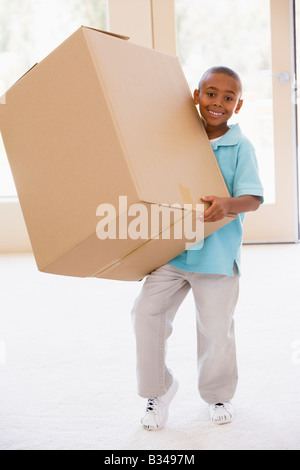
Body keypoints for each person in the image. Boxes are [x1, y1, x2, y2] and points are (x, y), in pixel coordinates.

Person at [131, 66, 264, 431]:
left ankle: (218, 394)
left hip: (217, 256)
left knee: (216, 330)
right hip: (174, 251)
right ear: (196, 95)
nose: (218, 102)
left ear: (237, 107)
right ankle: (158, 390)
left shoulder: (241, 146)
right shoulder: (177, 138)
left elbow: (252, 198)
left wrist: (227, 204)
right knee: (146, 313)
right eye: (211, 93)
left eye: (228, 97)